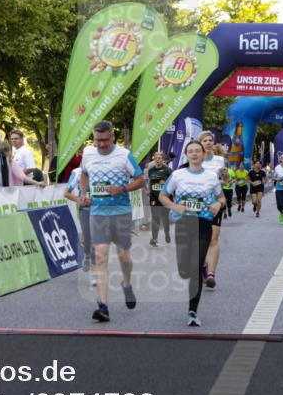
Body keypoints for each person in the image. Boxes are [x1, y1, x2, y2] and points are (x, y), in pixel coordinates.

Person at [78, 121, 144, 323]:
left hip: (121, 212)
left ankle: (126, 283)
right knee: (100, 256)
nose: (101, 145)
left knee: (124, 256)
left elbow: (141, 179)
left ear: (113, 137)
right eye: (98, 140)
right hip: (98, 213)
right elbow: (84, 174)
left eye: (105, 140)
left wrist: (122, 189)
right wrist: (83, 194)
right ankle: (103, 305)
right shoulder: (88, 154)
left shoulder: (124, 155)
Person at [159, 140, 224, 327]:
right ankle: (198, 268)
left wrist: (218, 204)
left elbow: (221, 197)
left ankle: (193, 310)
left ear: (203, 154)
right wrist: (174, 206)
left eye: (198, 151)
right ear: (186, 155)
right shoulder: (177, 175)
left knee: (194, 268)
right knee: (184, 270)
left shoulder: (211, 176)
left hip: (203, 224)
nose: (194, 154)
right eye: (191, 151)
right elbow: (163, 195)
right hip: (183, 224)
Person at [197, 131, 225, 289]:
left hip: (214, 203)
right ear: (200, 143)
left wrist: (224, 177)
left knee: (213, 239)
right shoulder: (194, 159)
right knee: (199, 240)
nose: (208, 143)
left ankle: (211, 274)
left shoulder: (220, 160)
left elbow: (223, 180)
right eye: (205, 140)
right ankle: (202, 267)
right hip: (196, 204)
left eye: (210, 140)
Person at [63, 164, 96, 283]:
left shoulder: (101, 170)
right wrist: (79, 200)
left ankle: (94, 271)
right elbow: (66, 193)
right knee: (88, 240)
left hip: (99, 210)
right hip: (85, 210)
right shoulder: (77, 172)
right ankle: (87, 256)